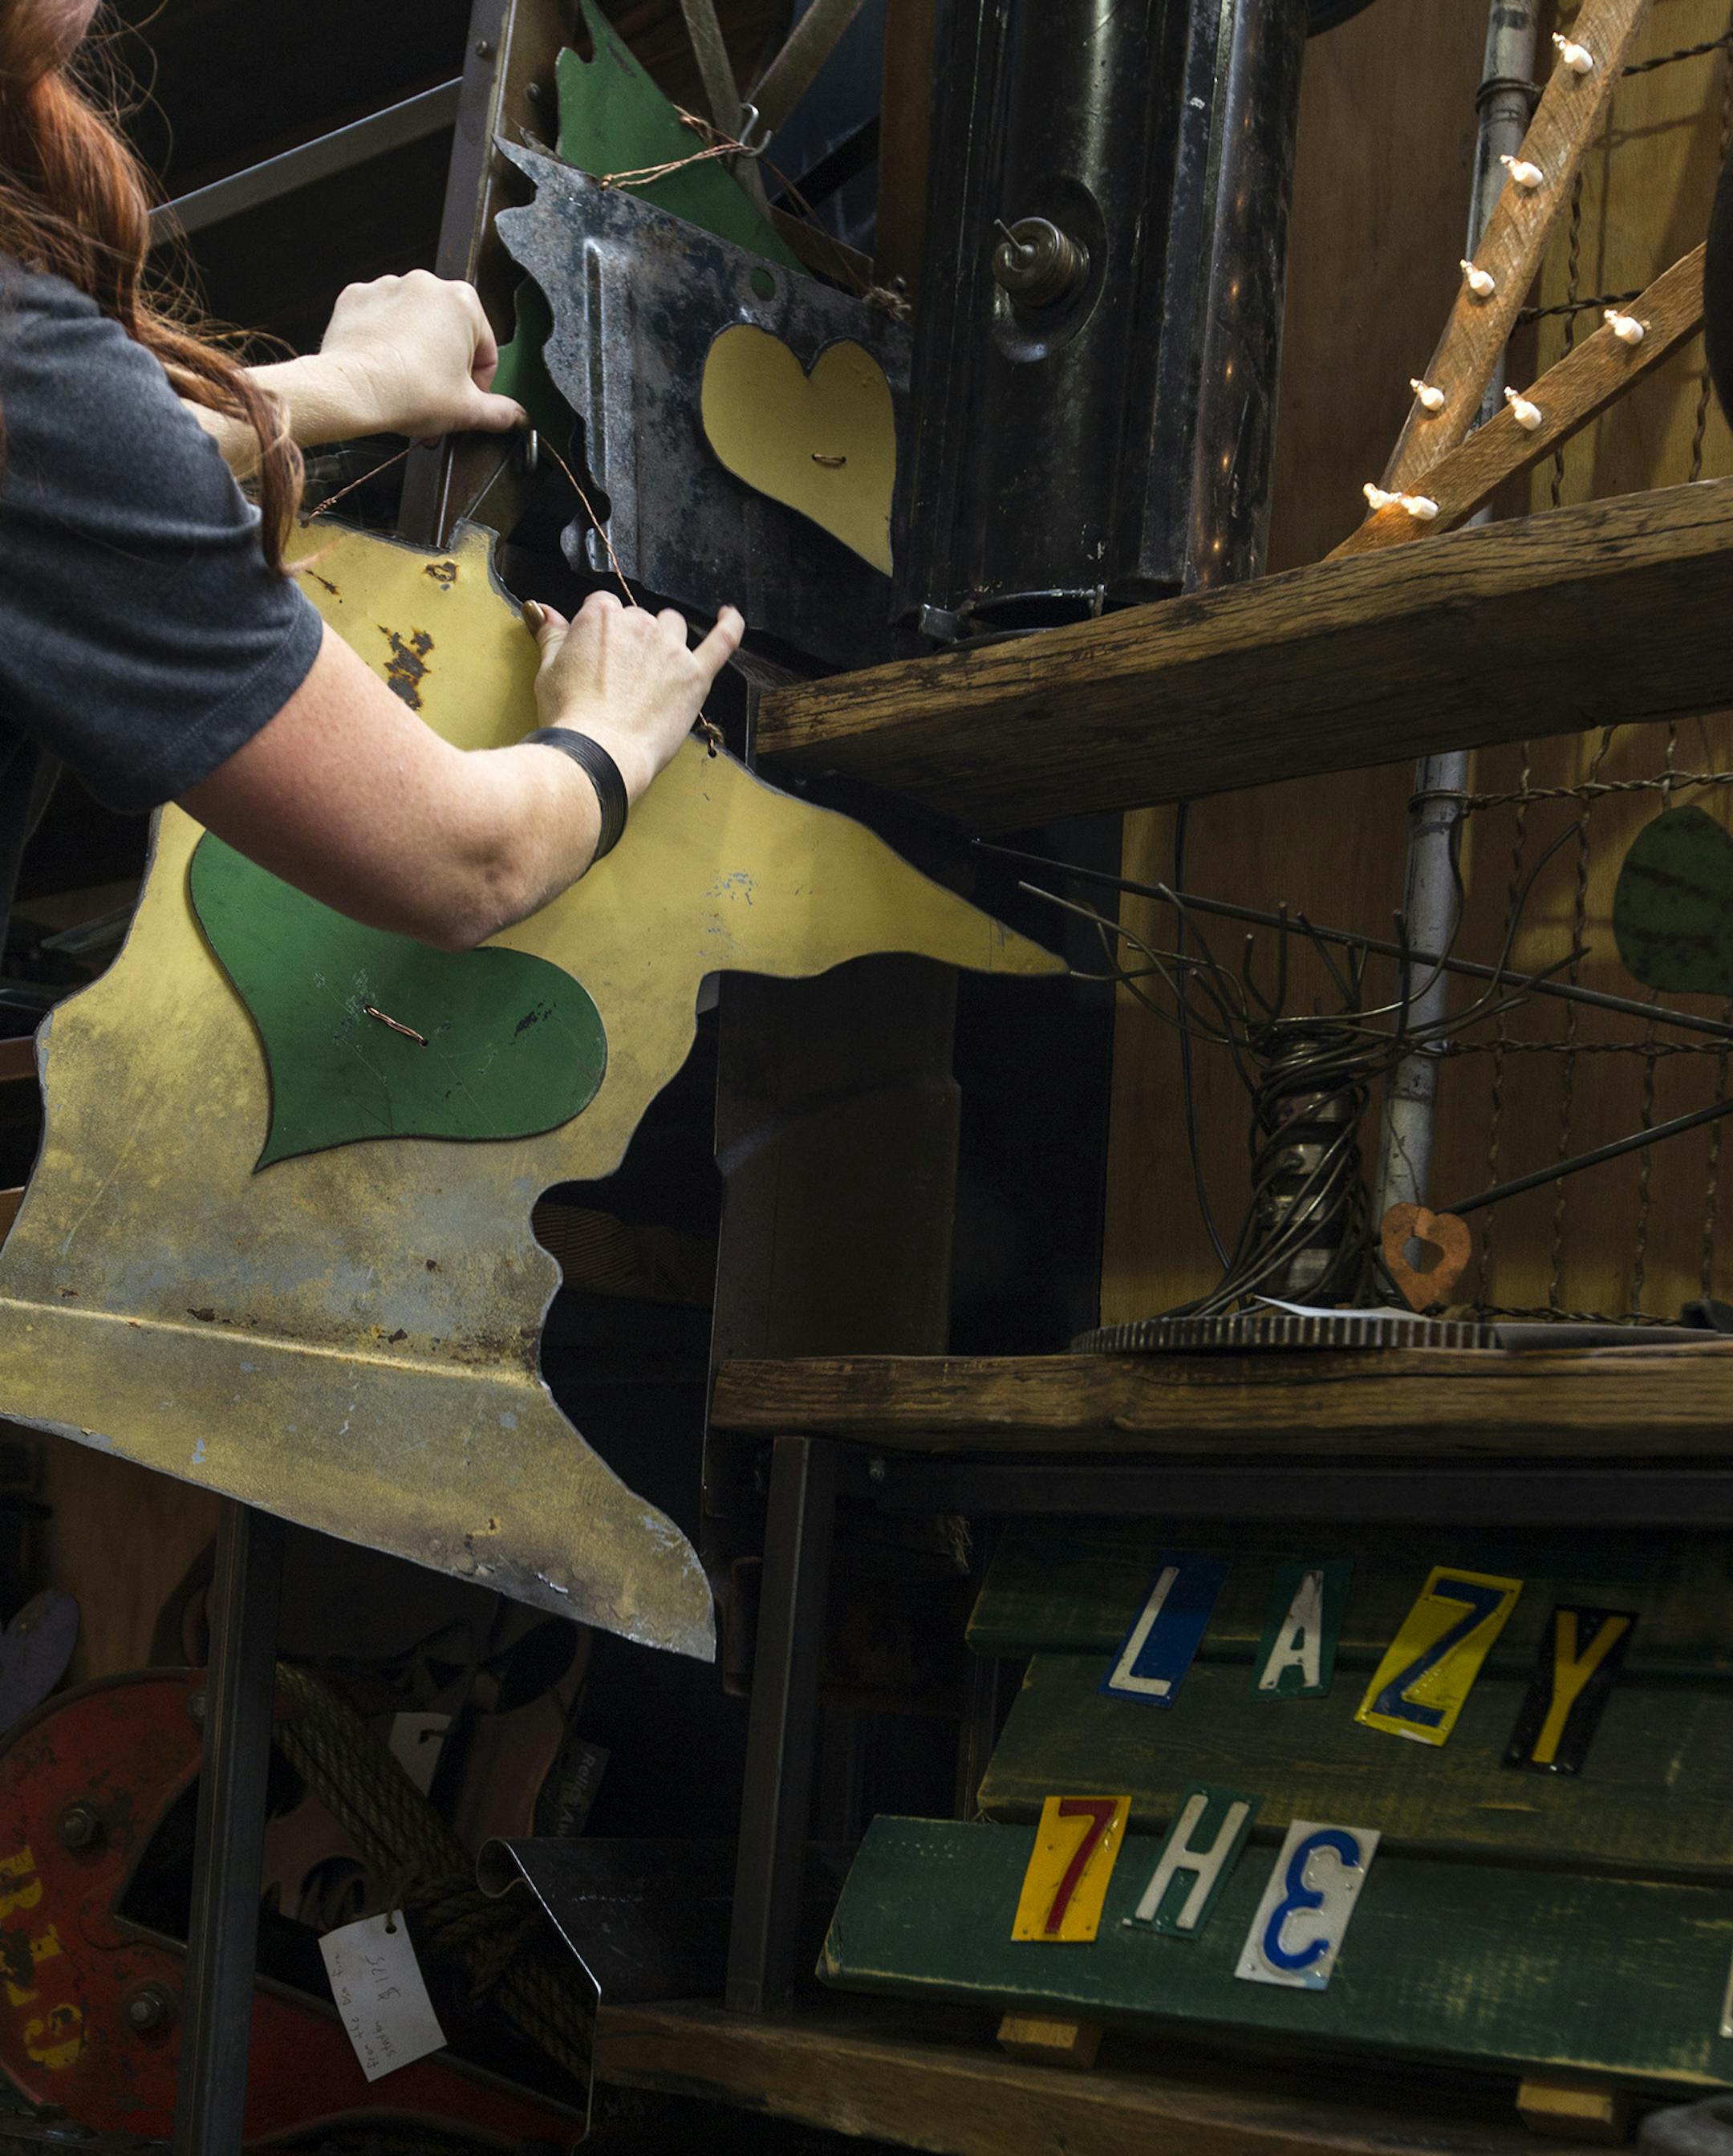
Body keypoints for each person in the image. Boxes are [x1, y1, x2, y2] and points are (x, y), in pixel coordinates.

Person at [0, 0, 743, 953]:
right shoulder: (40, 381)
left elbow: (64, 461)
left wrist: (349, 382)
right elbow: (468, 863)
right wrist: (616, 729)